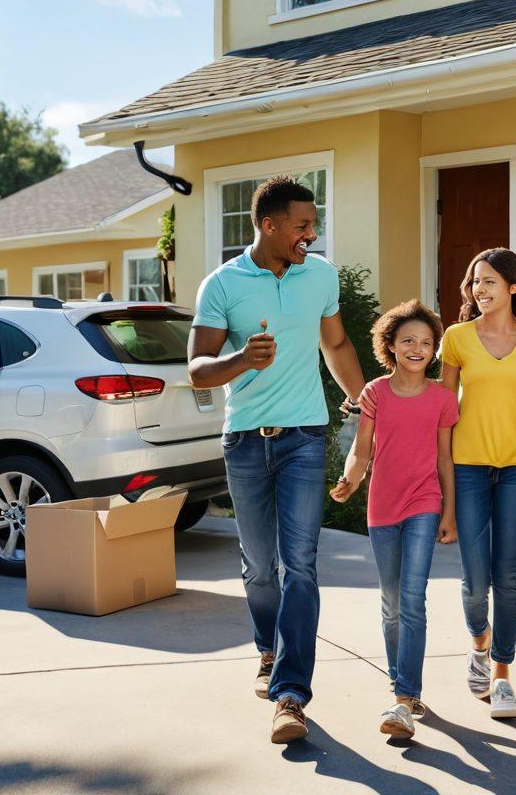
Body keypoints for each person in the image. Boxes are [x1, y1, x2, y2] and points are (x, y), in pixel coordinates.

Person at [188, 175, 365, 744]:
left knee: (300, 565)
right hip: (245, 440)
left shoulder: (320, 275)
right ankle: (268, 649)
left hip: (305, 437)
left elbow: (336, 344)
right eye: (302, 225)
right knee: (260, 567)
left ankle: (291, 695)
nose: (312, 234)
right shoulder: (223, 284)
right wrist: (242, 359)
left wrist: (363, 403)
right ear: (269, 225)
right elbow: (198, 369)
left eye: (314, 225)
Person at [331, 300, 458, 741]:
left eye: (425, 342)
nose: (417, 348)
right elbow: (362, 448)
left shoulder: (442, 398)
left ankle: (405, 697)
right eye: (408, 340)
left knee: (412, 598)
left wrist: (449, 512)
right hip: (382, 506)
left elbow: (445, 459)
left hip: (425, 502)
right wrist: (349, 479)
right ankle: (400, 683)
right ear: (391, 345)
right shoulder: (375, 393)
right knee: (391, 604)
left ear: (434, 348)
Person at [439, 248, 516, 719]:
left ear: (512, 287)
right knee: (474, 577)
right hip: (467, 465)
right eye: (474, 282)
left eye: (489, 281)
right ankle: (479, 643)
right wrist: (441, 487)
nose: (479, 289)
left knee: (507, 575)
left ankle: (502, 675)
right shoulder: (457, 337)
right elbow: (443, 412)